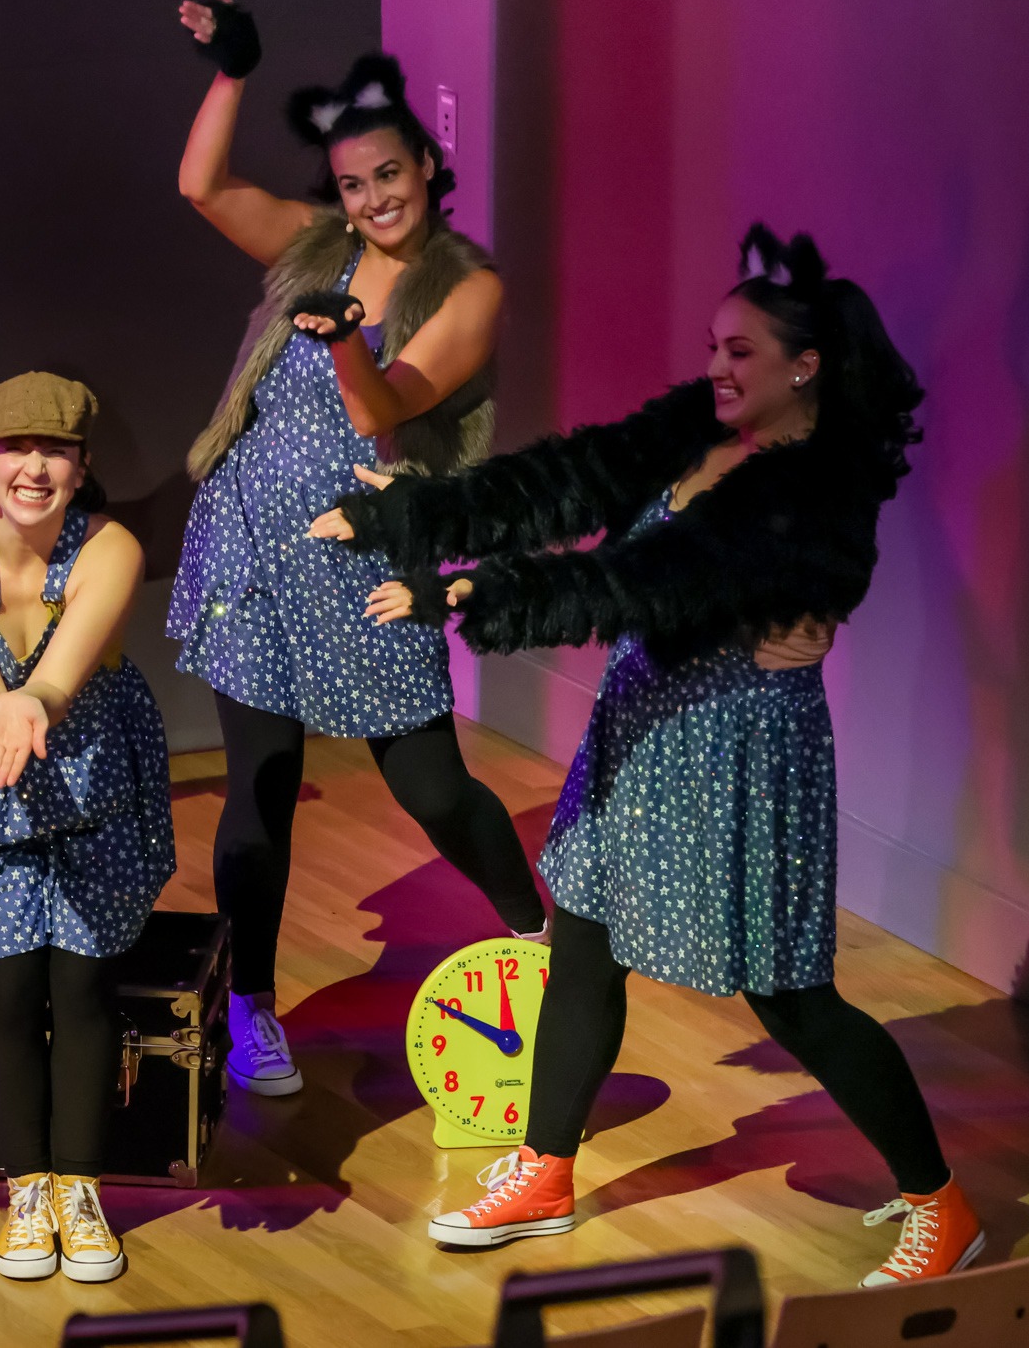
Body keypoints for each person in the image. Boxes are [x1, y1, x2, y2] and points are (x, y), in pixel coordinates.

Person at [315, 225, 980, 1288]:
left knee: (790, 997)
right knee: (584, 941)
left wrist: (487, 594)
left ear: (804, 365)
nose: (714, 369)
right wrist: (420, 517)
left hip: (737, 750)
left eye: (740, 353)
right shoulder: (690, 430)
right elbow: (562, 483)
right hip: (641, 724)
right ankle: (544, 1168)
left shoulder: (810, 491)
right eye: (713, 347)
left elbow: (650, 580)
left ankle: (941, 1206)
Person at [164, 0, 546, 1096]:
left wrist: (341, 344)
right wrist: (232, 72)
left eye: (389, 174)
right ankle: (252, 1007)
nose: (371, 198)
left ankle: (536, 932)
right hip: (250, 541)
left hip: (368, 549)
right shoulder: (313, 248)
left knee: (431, 786)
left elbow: (388, 411)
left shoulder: (466, 287)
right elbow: (201, 187)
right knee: (263, 781)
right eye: (351, 183)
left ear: (428, 167)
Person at [0, 373, 173, 1285]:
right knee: (11, 990)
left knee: (87, 989)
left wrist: (29, 706)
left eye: (54, 449)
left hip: (92, 776)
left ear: (81, 464)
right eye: (15, 448)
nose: (33, 466)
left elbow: (56, 678)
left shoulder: (112, 547)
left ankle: (80, 1187)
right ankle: (27, 1189)